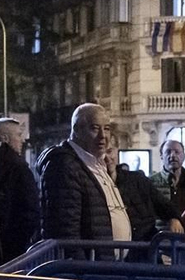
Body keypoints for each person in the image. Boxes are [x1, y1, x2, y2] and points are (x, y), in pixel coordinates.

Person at [39, 104, 131, 244]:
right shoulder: (65, 165)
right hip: (89, 263)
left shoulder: (96, 162)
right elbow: (66, 229)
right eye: (94, 128)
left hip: (106, 261)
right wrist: (81, 264)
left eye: (106, 129)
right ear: (76, 130)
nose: (103, 136)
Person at [0, 117, 39, 259]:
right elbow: (30, 208)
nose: (22, 140)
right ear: (5, 138)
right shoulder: (18, 167)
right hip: (14, 247)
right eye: (18, 135)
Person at [109, 148, 181, 243]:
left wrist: (174, 218)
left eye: (109, 151)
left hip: (144, 244)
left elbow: (162, 204)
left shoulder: (137, 180)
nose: (106, 158)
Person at [151, 138, 185, 223]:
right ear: (161, 156)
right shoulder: (151, 182)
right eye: (168, 152)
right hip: (163, 233)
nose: (172, 155)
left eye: (177, 152)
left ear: (183, 156)